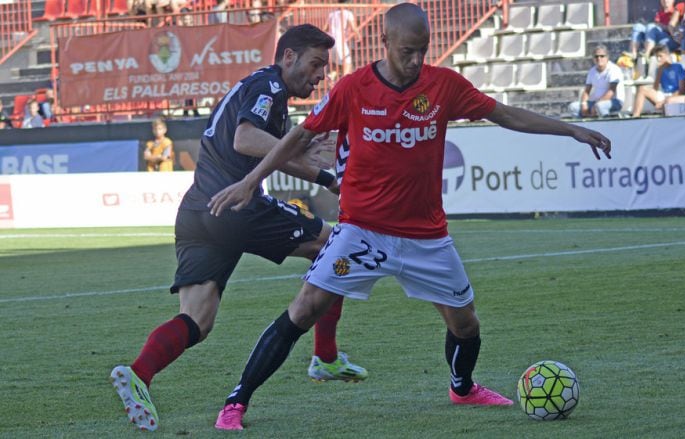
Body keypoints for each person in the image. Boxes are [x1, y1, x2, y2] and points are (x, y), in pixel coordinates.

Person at [208, 3, 612, 431]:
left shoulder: (444, 85)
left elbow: (505, 114)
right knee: (305, 307)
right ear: (384, 42)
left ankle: (462, 388)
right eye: (407, 51)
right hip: (361, 233)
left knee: (465, 323)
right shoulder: (353, 88)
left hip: (426, 237)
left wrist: (570, 128)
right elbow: (299, 136)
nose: (416, 60)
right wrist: (251, 181)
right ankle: (236, 402)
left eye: (423, 50)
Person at [110, 24, 367, 432]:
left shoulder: (257, 88)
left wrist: (304, 151)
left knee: (198, 319)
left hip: (197, 211)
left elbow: (269, 149)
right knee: (334, 244)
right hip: (237, 207)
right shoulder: (270, 88)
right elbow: (245, 139)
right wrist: (323, 175)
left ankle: (139, 373)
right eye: (316, 64)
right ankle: (326, 356)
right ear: (288, 57)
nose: (320, 75)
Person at [568, 44, 625, 118]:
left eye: (602, 56)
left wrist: (596, 105)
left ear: (607, 57)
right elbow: (587, 91)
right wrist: (583, 104)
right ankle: (583, 124)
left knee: (599, 106)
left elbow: (611, 91)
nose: (599, 58)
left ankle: (605, 123)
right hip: (596, 102)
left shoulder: (614, 69)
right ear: (593, 58)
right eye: (596, 56)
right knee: (573, 107)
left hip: (615, 102)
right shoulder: (592, 71)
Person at [631, 44, 685, 117]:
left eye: (660, 56)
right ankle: (635, 116)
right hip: (664, 95)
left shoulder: (678, 67)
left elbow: (682, 90)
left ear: (667, 55)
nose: (658, 59)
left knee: (668, 102)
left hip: (675, 97)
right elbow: (655, 89)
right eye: (657, 57)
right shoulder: (659, 69)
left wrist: (665, 101)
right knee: (642, 89)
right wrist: (659, 73)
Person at [324, 0, 361, 80]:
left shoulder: (332, 14)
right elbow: (354, 27)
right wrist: (358, 36)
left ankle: (331, 76)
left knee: (339, 63)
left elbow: (325, 28)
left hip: (331, 42)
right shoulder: (348, 13)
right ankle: (344, 81)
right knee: (348, 63)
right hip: (340, 42)